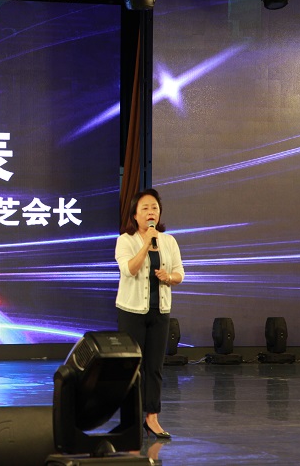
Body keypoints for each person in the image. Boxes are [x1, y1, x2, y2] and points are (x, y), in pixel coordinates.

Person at [115, 188, 184, 439]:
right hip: (131, 311)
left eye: (154, 208)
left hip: (160, 311)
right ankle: (130, 419)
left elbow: (180, 273)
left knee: (154, 367)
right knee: (132, 367)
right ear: (135, 215)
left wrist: (169, 277)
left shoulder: (169, 241)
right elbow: (129, 270)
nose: (150, 212)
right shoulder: (126, 240)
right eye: (144, 208)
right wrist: (146, 244)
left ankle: (152, 418)